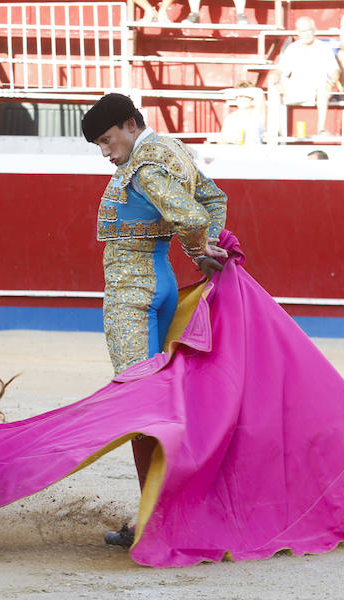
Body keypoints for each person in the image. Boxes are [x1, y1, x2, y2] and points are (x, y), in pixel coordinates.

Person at [80, 93, 228, 547]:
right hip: (160, 282)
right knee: (159, 401)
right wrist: (204, 248)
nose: (106, 153)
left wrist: (201, 249)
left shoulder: (144, 165)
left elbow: (190, 212)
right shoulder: (173, 149)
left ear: (129, 124)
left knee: (139, 405)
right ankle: (175, 506)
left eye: (108, 140)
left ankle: (157, 518)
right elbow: (212, 197)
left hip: (134, 291)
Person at [269, 17, 341, 137]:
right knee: (273, 85)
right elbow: (281, 69)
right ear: (298, 33)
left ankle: (321, 129)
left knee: (323, 85)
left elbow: (334, 71)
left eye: (308, 30)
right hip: (295, 88)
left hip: (316, 89)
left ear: (314, 30)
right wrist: (276, 77)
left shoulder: (323, 48)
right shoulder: (292, 48)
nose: (306, 34)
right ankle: (276, 130)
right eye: (303, 31)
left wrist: (331, 84)